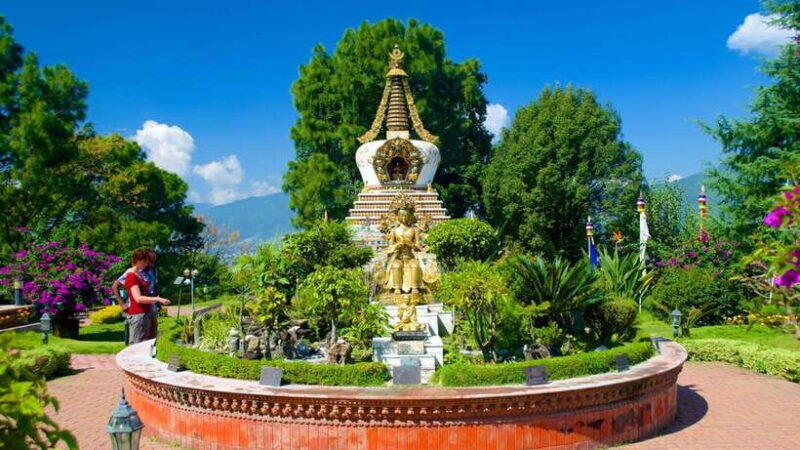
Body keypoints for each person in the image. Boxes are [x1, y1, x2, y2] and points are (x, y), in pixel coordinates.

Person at [123, 249, 170, 344]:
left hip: (148, 313)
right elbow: (138, 298)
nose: (147, 264)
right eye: (145, 261)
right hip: (139, 315)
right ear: (138, 260)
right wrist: (157, 299)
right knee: (137, 347)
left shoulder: (139, 275)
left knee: (150, 345)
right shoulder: (131, 276)